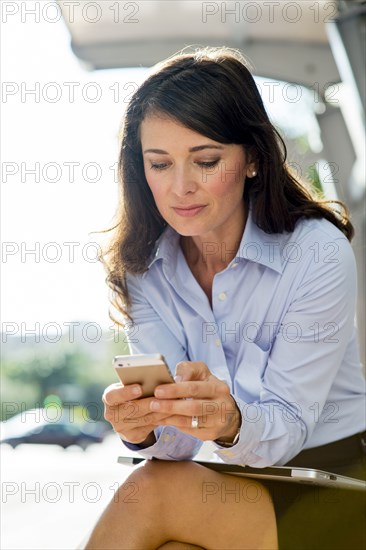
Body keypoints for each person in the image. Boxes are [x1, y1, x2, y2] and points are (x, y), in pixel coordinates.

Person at [85, 47, 366, 550]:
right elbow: (177, 446)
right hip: (237, 483)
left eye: (207, 161)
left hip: (336, 479)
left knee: (151, 496)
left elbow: (287, 429)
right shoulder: (144, 268)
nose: (180, 188)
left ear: (253, 158)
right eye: (159, 164)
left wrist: (229, 421)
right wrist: (144, 427)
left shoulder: (315, 252)